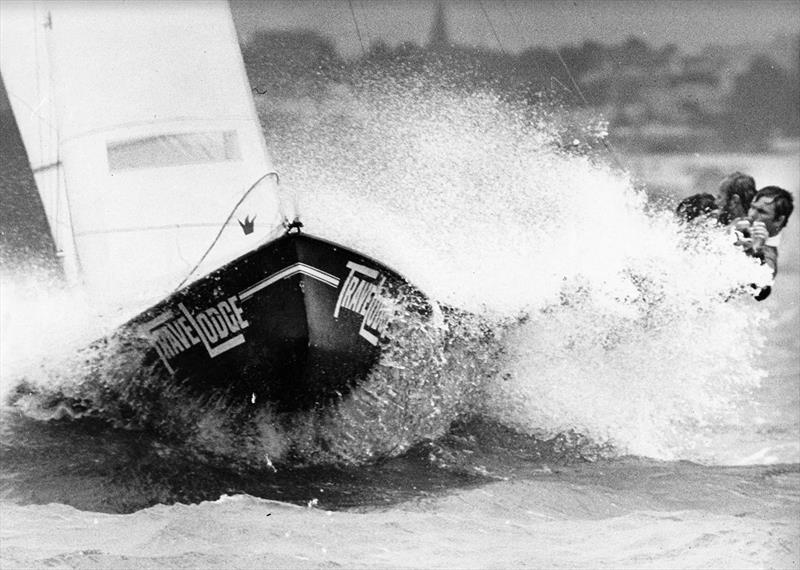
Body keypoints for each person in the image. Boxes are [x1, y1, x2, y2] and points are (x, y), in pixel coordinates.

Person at [732, 185, 794, 300]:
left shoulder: (768, 254)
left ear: (779, 220)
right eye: (752, 207)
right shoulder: (742, 224)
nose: (751, 214)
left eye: (761, 211)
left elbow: (760, 292)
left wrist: (757, 251)